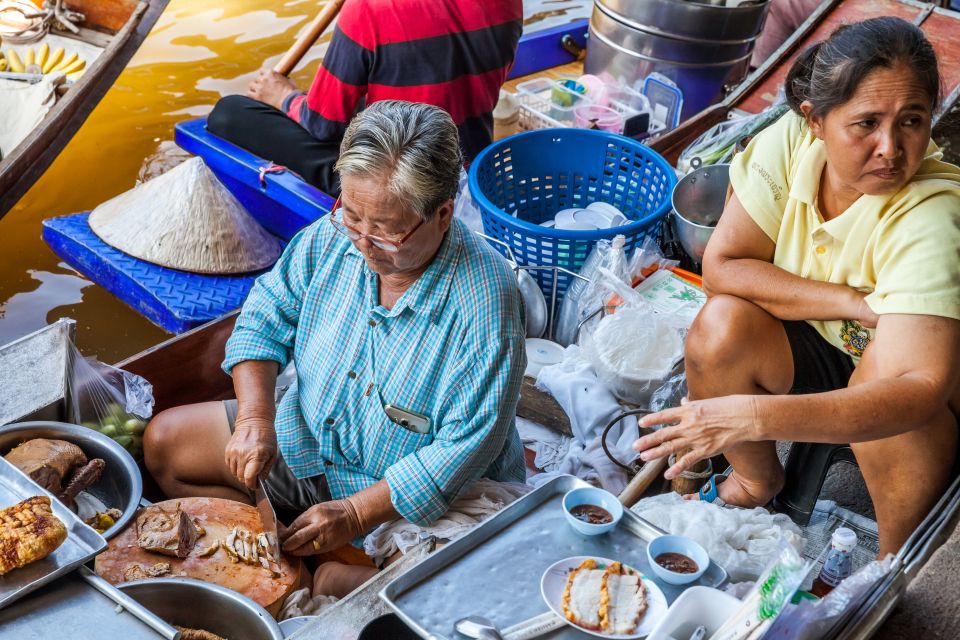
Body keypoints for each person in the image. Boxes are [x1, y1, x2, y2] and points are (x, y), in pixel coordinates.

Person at [144, 101, 527, 595]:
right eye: (351, 215)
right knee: (165, 446)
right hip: (310, 445)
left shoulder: (486, 302)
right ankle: (292, 568)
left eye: (386, 230)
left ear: (443, 213)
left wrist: (353, 513)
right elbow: (265, 317)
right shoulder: (331, 238)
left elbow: (462, 449)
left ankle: (333, 572)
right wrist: (256, 420)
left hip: (414, 499)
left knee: (448, 590)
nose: (363, 242)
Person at [632, 17, 960, 556]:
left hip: (910, 388)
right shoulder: (787, 142)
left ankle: (892, 566)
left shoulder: (931, 214)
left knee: (891, 398)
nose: (890, 148)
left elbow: (918, 390)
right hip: (825, 339)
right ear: (814, 121)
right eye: (866, 123)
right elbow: (726, 265)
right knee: (720, 326)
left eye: (912, 121)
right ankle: (758, 480)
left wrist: (751, 415)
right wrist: (851, 302)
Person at [206, 0, 523, 195]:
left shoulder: (368, 9)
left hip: (398, 185)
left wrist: (285, 96)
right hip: (469, 167)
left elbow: (322, 125)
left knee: (230, 112)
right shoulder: (508, 3)